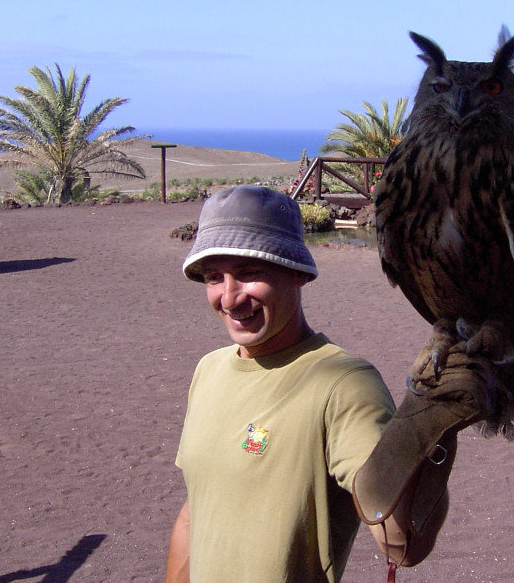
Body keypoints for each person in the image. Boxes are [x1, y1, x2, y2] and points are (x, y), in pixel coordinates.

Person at [164, 186, 456, 583]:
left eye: (249, 273)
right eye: (214, 277)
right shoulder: (209, 370)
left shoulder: (344, 383)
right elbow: (195, 513)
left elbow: (402, 545)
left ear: (297, 273)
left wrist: (431, 426)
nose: (229, 298)